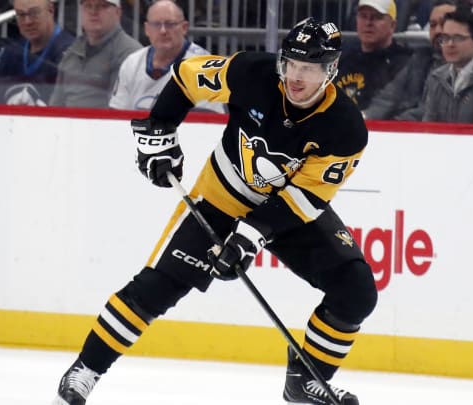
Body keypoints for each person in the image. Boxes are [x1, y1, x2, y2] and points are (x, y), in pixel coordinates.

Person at [51, 17, 377, 405]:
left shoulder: (346, 128)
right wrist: (160, 130)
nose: (296, 76)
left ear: (331, 71)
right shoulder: (252, 73)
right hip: (222, 196)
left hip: (287, 208)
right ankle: (85, 369)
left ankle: (308, 378)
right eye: (290, 64)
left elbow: (305, 198)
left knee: (356, 290)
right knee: (159, 286)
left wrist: (249, 237)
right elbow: (187, 76)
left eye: (308, 68)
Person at [108, 0, 223, 112]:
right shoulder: (132, 62)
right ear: (147, 29)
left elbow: (206, 121)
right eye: (156, 24)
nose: (163, 31)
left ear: (184, 28)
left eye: (170, 24)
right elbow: (117, 115)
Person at [363, 0, 457, 120]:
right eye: (433, 25)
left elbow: (428, 112)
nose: (438, 31)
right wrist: (364, 116)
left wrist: (395, 125)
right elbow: (389, 96)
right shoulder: (420, 58)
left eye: (444, 24)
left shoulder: (462, 66)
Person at [49, 0, 141, 107]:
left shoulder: (130, 55)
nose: (93, 12)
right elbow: (56, 106)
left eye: (102, 6)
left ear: (118, 12)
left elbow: (117, 113)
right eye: (88, 6)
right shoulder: (72, 52)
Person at [0, 0, 74, 105]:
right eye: (21, 14)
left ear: (51, 10)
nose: (27, 21)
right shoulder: (12, 52)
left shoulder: (69, 54)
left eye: (34, 13)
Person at [335, 0, 412, 111]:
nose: (368, 23)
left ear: (392, 25)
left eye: (376, 17)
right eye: (363, 16)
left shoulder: (403, 64)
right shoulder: (343, 59)